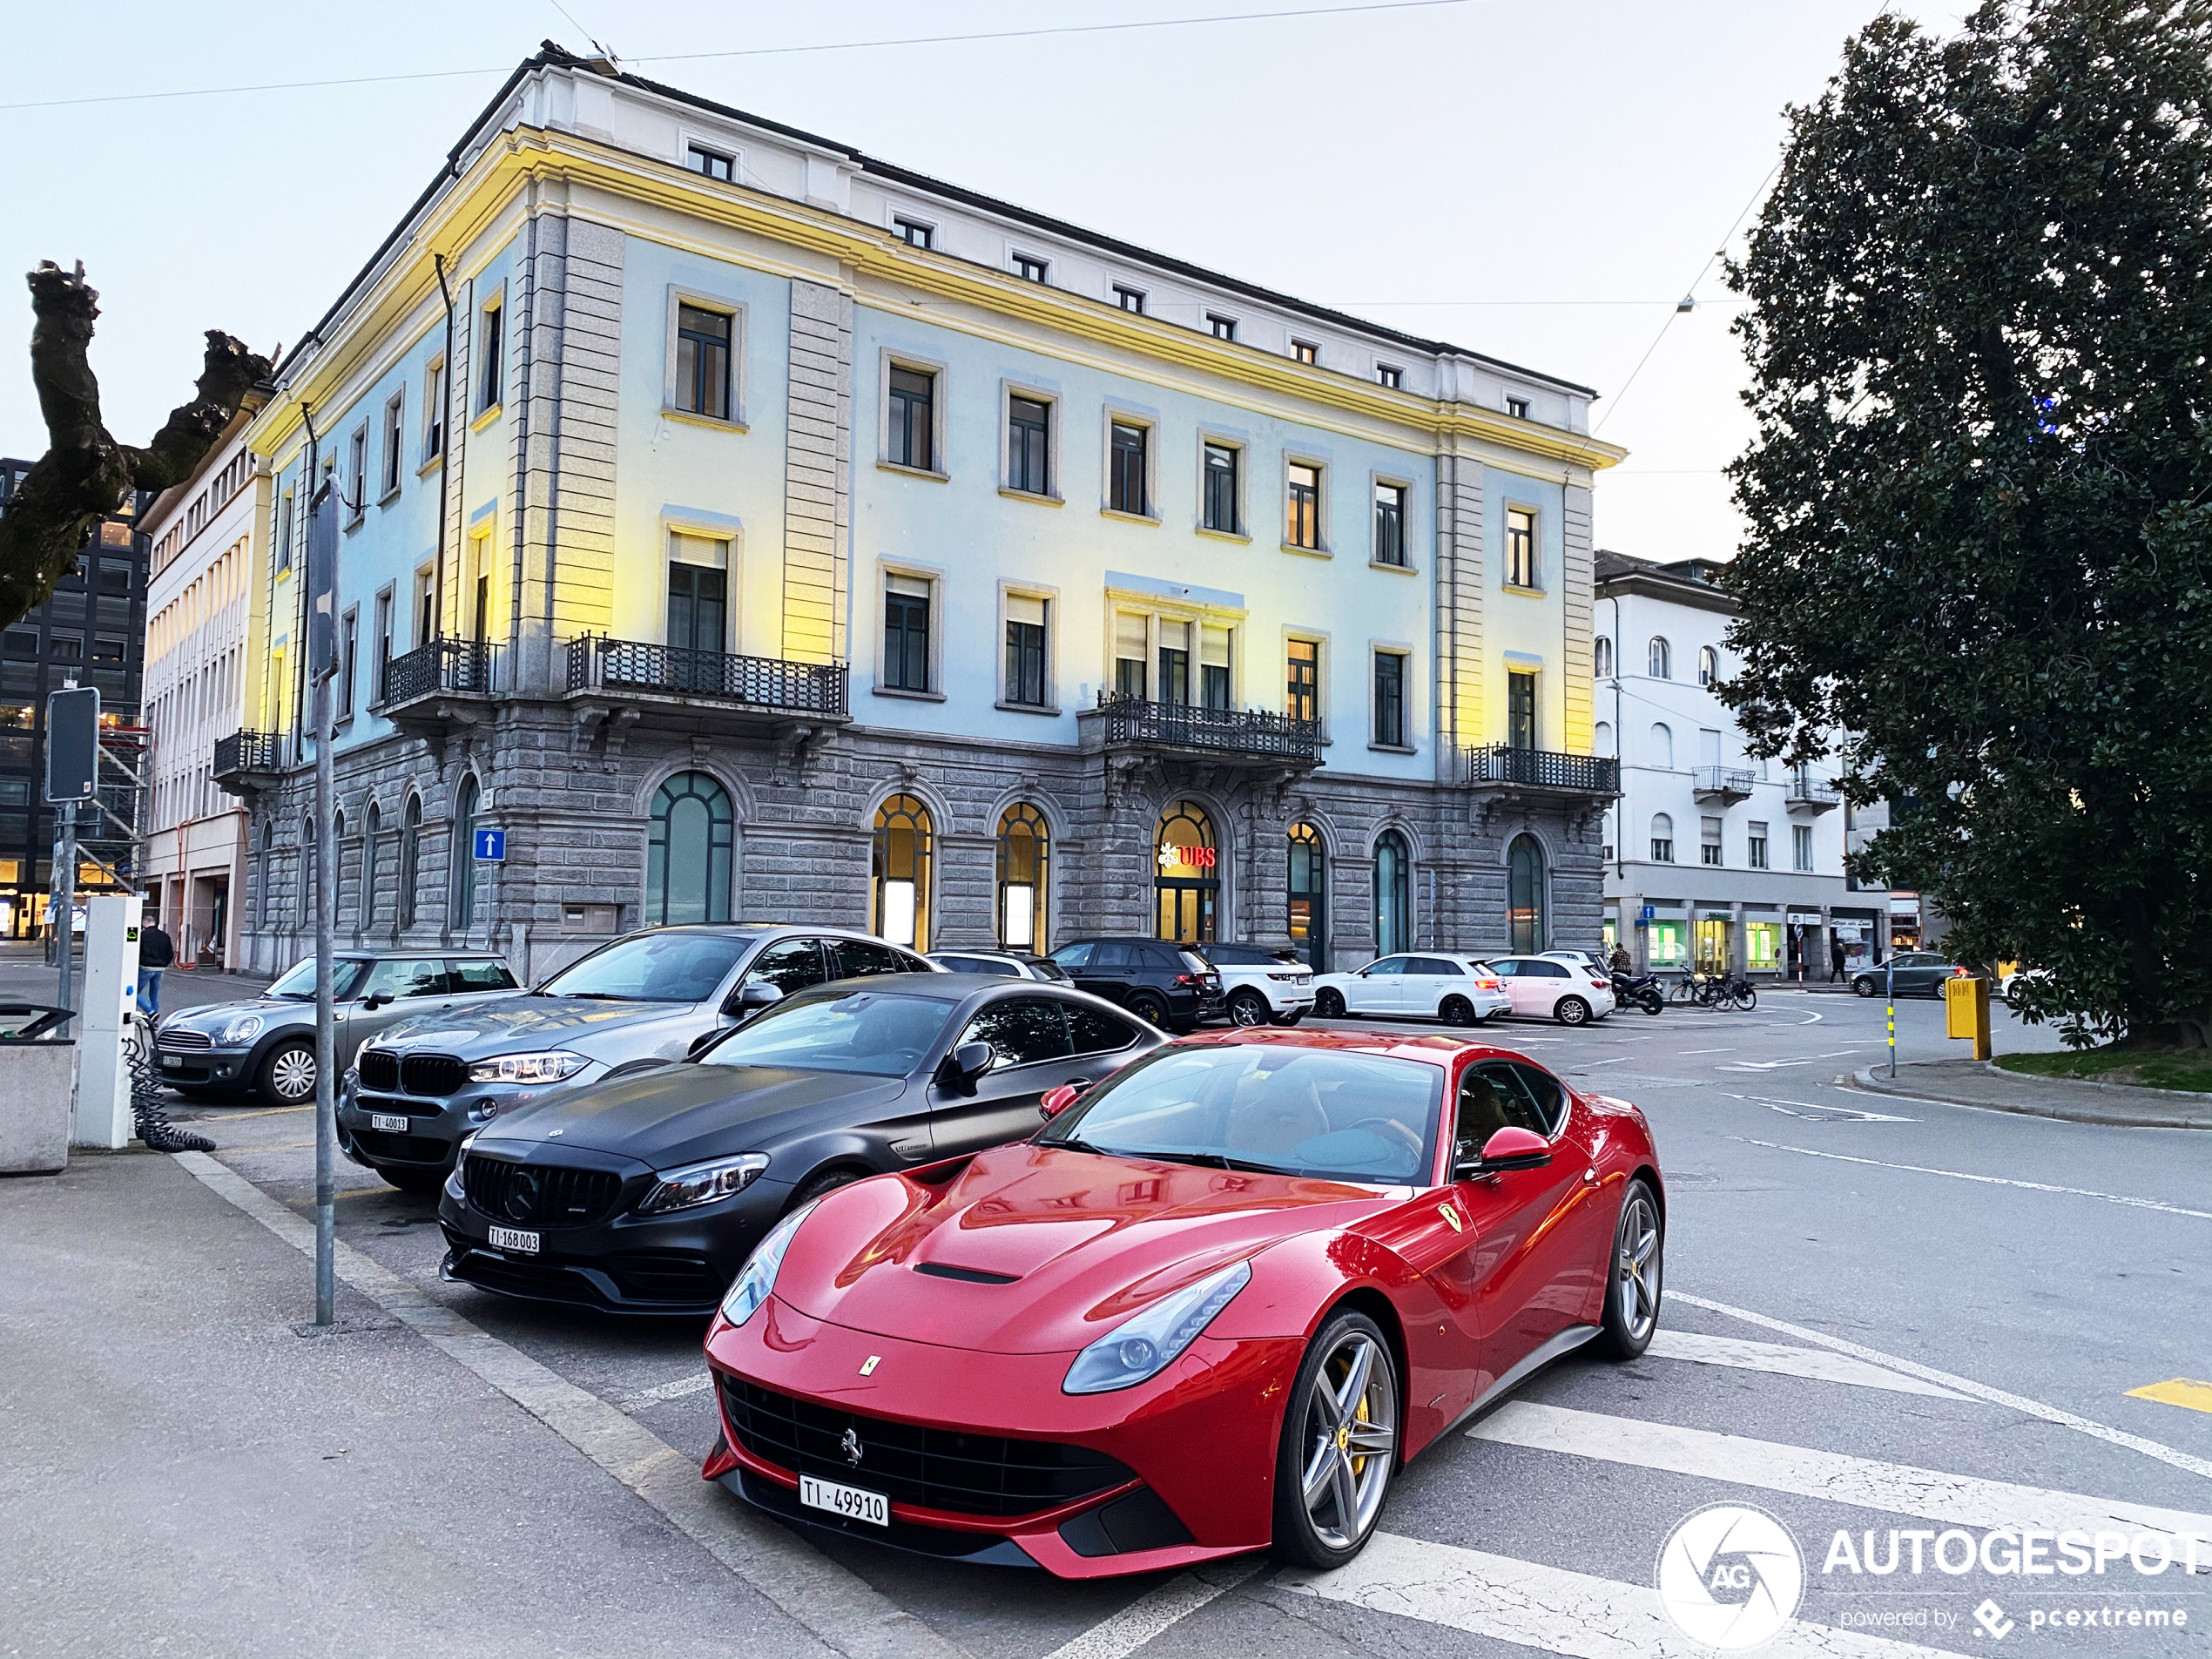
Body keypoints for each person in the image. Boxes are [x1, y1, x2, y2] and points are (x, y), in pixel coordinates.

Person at [137, 919, 174, 1015]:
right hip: (160, 968)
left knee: (134, 993)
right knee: (154, 994)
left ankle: (150, 1011)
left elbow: (138, 951)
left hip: (146, 967)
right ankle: (154, 1020)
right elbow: (170, 953)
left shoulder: (143, 935)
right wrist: (164, 964)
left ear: (145, 922)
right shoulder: (165, 936)